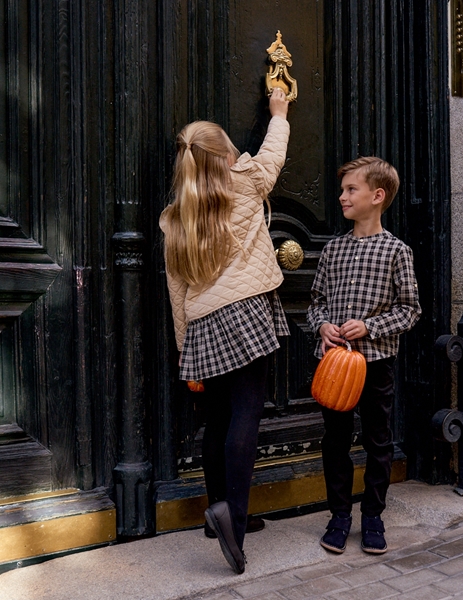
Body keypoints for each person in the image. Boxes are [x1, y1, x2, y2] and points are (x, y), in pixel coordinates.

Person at [159, 88, 290, 574]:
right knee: (246, 415)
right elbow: (274, 155)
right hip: (246, 310)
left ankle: (219, 511)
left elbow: (176, 291)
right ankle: (232, 515)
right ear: (227, 152)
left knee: (217, 420)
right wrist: (279, 113)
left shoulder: (175, 219)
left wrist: (182, 347)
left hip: (203, 323)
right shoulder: (246, 182)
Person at [307, 156, 421, 555]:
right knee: (335, 440)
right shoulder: (333, 249)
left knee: (378, 441)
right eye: (342, 190)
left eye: (350, 189)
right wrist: (322, 326)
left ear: (377, 196)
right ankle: (339, 515)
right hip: (335, 365)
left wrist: (370, 327)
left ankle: (373, 516)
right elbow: (316, 302)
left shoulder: (396, 251)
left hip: (376, 364)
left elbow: (410, 310)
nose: (342, 197)